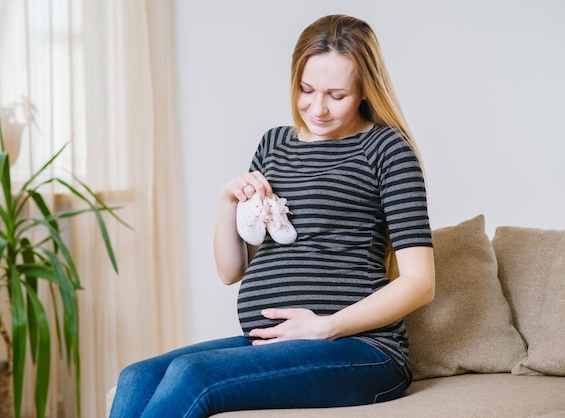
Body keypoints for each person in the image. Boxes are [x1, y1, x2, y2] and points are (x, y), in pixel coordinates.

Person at [109, 14, 435, 418]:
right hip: (271, 341)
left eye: (336, 95)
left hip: (360, 350)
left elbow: (421, 283)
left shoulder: (386, 149)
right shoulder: (274, 144)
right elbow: (232, 271)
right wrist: (228, 201)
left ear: (365, 89)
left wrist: (324, 326)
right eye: (306, 89)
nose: (317, 107)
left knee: (195, 375)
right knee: (137, 376)